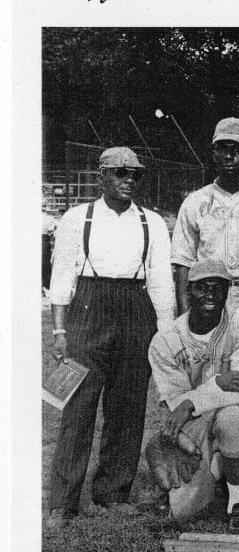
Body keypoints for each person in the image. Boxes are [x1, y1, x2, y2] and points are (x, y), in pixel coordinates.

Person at [46, 147, 174, 530]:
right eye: (120, 173)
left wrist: (164, 335)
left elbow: (161, 283)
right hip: (88, 306)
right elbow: (62, 277)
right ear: (101, 176)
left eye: (134, 174)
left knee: (127, 404)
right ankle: (63, 501)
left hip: (136, 308)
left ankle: (114, 492)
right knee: (79, 405)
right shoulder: (77, 218)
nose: (128, 180)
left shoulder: (151, 223)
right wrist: (59, 331)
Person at [146, 260, 239, 532]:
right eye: (202, 287)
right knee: (183, 513)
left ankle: (238, 502)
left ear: (227, 292)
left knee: (232, 418)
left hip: (234, 413)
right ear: (188, 291)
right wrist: (218, 385)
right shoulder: (165, 340)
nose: (210, 293)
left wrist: (192, 401)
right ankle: (217, 471)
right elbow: (176, 405)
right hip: (193, 424)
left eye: (217, 287)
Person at [171, 118, 239, 381]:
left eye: (237, 148)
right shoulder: (196, 202)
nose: (229, 155)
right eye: (222, 148)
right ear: (213, 153)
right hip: (211, 297)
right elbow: (183, 263)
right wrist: (186, 319)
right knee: (207, 378)